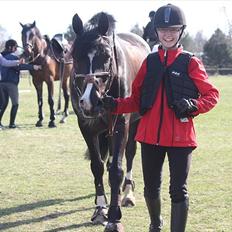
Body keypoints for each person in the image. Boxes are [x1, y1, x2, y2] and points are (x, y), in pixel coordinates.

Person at [102, 3, 219, 232]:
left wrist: (194, 105)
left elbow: (212, 95)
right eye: (163, 30)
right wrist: (113, 105)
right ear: (156, 32)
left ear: (180, 32)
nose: (168, 34)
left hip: (180, 139)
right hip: (149, 137)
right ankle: (155, 224)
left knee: (178, 190)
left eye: (173, 30)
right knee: (150, 189)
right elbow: (135, 100)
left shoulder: (190, 62)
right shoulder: (150, 62)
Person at [0, 39, 41, 129]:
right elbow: (19, 67)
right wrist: (33, 67)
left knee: (3, 104)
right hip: (11, 84)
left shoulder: (2, 56)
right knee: (15, 103)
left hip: (1, 83)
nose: (16, 49)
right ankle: (12, 123)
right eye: (15, 47)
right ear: (10, 47)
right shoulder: (12, 56)